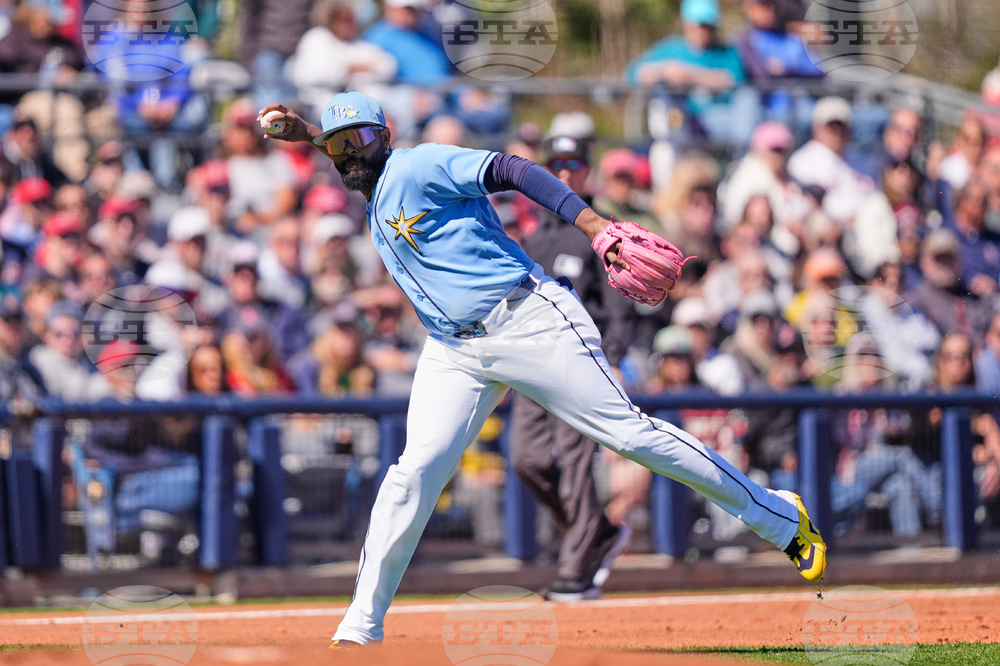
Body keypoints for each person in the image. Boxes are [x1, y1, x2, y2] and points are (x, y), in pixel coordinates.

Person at [259, 91, 826, 648]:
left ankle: (778, 517)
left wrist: (594, 226)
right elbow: (349, 156)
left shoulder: (418, 162)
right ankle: (361, 626)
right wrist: (314, 136)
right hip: (454, 349)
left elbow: (513, 168)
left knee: (628, 434)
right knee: (415, 470)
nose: (349, 153)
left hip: (528, 318)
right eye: (339, 147)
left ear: (386, 135)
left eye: (359, 139)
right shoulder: (371, 176)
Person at [509, 134, 633, 602]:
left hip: (580, 360)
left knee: (574, 461)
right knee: (527, 458)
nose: (564, 173)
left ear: (586, 171)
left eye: (573, 164)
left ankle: (576, 569)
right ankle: (596, 531)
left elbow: (618, 306)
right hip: (533, 362)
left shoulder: (598, 229)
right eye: (555, 164)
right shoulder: (535, 236)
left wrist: (616, 358)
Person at [626, 0, 758, 146]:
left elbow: (735, 80)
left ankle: (741, 157)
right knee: (664, 105)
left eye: (708, 25)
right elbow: (633, 73)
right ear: (687, 24)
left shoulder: (727, 53)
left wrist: (690, 76)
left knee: (748, 98)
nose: (703, 30)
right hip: (678, 120)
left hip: (718, 120)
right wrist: (662, 71)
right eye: (699, 25)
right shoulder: (670, 50)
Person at [787, 97, 874, 226]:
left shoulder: (862, 160)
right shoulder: (802, 161)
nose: (837, 133)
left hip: (864, 227)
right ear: (817, 127)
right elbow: (801, 207)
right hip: (827, 230)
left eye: (841, 127)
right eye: (831, 127)